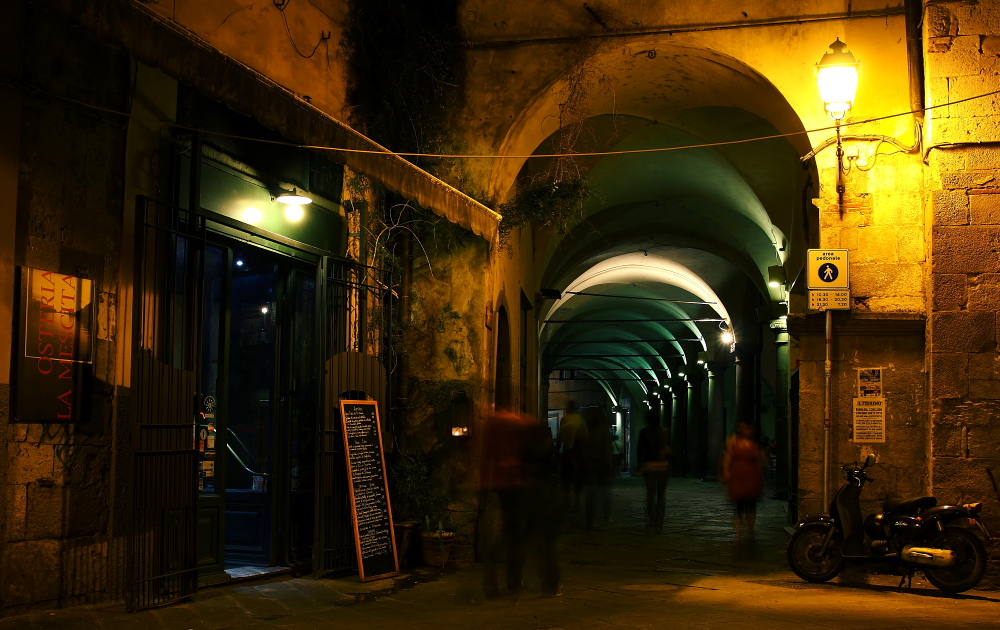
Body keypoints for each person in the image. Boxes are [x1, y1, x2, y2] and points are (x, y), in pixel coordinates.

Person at [479, 409, 561, 598]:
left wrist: (483, 487)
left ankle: (494, 581)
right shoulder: (526, 423)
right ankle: (526, 581)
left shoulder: (491, 425)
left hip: (502, 486)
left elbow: (486, 457)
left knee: (509, 533)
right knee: (533, 535)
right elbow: (539, 454)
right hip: (524, 485)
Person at [722, 421, 767, 543]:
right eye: (744, 428)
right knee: (739, 505)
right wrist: (726, 471)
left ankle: (750, 531)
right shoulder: (733, 441)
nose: (747, 430)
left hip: (751, 475)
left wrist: (760, 472)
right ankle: (739, 530)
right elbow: (728, 456)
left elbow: (760, 460)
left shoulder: (755, 443)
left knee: (751, 504)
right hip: (738, 475)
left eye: (749, 428)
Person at [636, 410, 671, 532]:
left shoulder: (644, 432)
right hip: (662, 466)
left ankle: (651, 519)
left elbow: (640, 451)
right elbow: (670, 449)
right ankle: (659, 522)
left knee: (650, 494)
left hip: (649, 466)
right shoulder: (664, 432)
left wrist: (639, 465)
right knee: (661, 495)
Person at [580, 407, 614, 530]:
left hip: (590, 467)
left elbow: (583, 450)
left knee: (590, 495)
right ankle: (607, 516)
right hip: (601, 467)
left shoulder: (586, 432)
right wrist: (609, 467)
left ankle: (591, 520)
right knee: (605, 493)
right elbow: (607, 452)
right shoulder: (604, 432)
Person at [556, 401, 588, 512]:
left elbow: (561, 436)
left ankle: (566, 500)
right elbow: (585, 436)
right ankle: (577, 500)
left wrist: (557, 450)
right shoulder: (580, 420)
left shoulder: (565, 419)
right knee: (578, 479)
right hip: (578, 453)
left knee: (566, 478)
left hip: (568, 451)